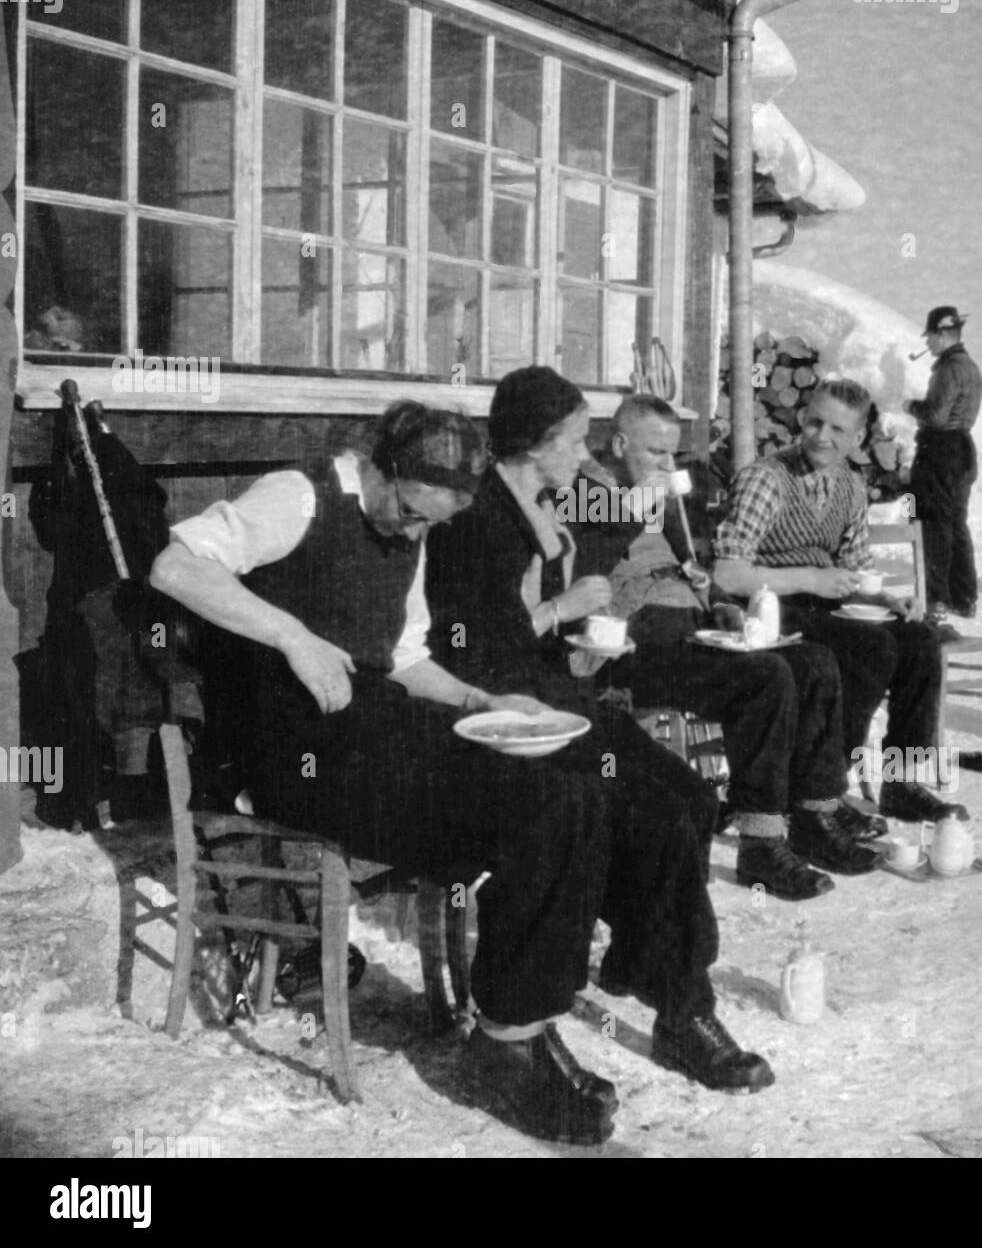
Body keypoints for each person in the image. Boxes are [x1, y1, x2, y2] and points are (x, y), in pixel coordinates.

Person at [149, 399, 769, 1150]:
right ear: (383, 465)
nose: (414, 533)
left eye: (429, 523)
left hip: (378, 725)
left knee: (638, 792)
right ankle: (509, 1040)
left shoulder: (409, 525)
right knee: (550, 802)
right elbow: (175, 565)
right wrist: (293, 638)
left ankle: (680, 999)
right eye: (410, 512)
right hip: (292, 749)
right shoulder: (300, 495)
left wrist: (482, 699)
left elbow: (405, 658)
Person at [423, 371, 775, 1102]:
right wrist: (561, 612)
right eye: (576, 438)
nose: (584, 452)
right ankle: (628, 1004)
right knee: (612, 806)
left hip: (557, 690)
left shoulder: (546, 501)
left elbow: (541, 631)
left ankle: (678, 996)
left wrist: (583, 643)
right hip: (496, 712)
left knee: (681, 796)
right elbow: (471, 646)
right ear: (536, 443)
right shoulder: (476, 515)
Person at [568, 393, 885, 901]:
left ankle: (815, 813)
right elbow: (583, 560)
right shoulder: (583, 486)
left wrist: (715, 599)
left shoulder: (656, 491)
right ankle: (760, 846)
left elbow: (688, 561)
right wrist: (632, 508)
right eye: (656, 453)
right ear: (620, 442)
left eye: (673, 454)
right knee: (766, 677)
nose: (668, 465)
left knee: (814, 662)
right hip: (630, 641)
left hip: (684, 624)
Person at [713, 378, 966, 824]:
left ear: (858, 439)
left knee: (919, 640)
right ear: (800, 418)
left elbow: (854, 565)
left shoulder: (850, 483)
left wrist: (889, 599)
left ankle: (901, 782)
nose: (821, 437)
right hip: (768, 609)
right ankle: (824, 787)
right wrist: (810, 576)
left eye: (836, 430)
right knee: (871, 648)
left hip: (825, 606)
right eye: (814, 422)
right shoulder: (766, 479)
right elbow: (728, 573)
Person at [902, 305, 982, 631]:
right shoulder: (971, 367)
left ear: (941, 334)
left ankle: (935, 597)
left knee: (933, 525)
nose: (929, 343)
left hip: (940, 451)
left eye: (931, 337)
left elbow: (935, 415)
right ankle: (964, 597)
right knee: (956, 523)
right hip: (963, 450)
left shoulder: (948, 369)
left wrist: (910, 405)